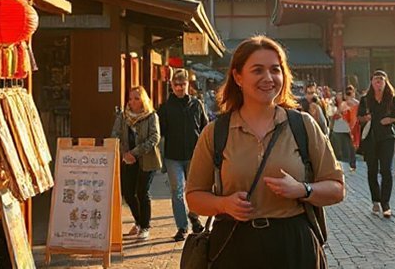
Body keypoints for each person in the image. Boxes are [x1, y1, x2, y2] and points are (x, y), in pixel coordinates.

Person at [186, 36, 345, 268]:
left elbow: (337, 188)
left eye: (275, 70)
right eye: (257, 70)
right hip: (234, 245)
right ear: (238, 77)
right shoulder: (215, 132)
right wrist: (224, 204)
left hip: (294, 245)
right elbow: (194, 197)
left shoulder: (302, 125)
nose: (268, 78)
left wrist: (302, 189)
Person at [157, 68, 209, 241]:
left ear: (188, 84)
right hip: (173, 156)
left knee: (194, 190)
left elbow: (205, 129)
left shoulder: (197, 104)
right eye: (176, 84)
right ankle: (182, 227)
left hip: (195, 155)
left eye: (183, 84)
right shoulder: (164, 108)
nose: (179, 88)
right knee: (177, 191)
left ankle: (194, 217)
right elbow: (159, 133)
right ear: (171, 85)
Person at [110, 86, 162, 241]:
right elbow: (115, 135)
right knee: (128, 192)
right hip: (128, 159)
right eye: (130, 98)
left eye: (136, 98)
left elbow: (154, 137)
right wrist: (125, 153)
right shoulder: (123, 116)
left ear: (143, 100)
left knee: (142, 192)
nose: (132, 102)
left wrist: (135, 152)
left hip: (147, 159)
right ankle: (139, 221)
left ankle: (145, 226)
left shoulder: (151, 116)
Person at [358, 70, 395, 218]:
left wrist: (389, 120)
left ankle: (386, 204)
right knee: (372, 170)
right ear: (371, 82)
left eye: (381, 80)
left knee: (386, 170)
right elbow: (359, 118)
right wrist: (366, 117)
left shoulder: (391, 98)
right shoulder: (365, 99)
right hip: (371, 138)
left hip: (387, 137)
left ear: (385, 82)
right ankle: (375, 200)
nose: (378, 83)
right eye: (376, 80)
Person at [330, 86, 359, 172]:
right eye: (347, 93)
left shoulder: (353, 103)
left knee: (350, 147)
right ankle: (349, 164)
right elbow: (336, 115)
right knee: (347, 147)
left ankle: (350, 164)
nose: (349, 95)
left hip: (347, 129)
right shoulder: (345, 104)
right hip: (342, 128)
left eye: (350, 93)